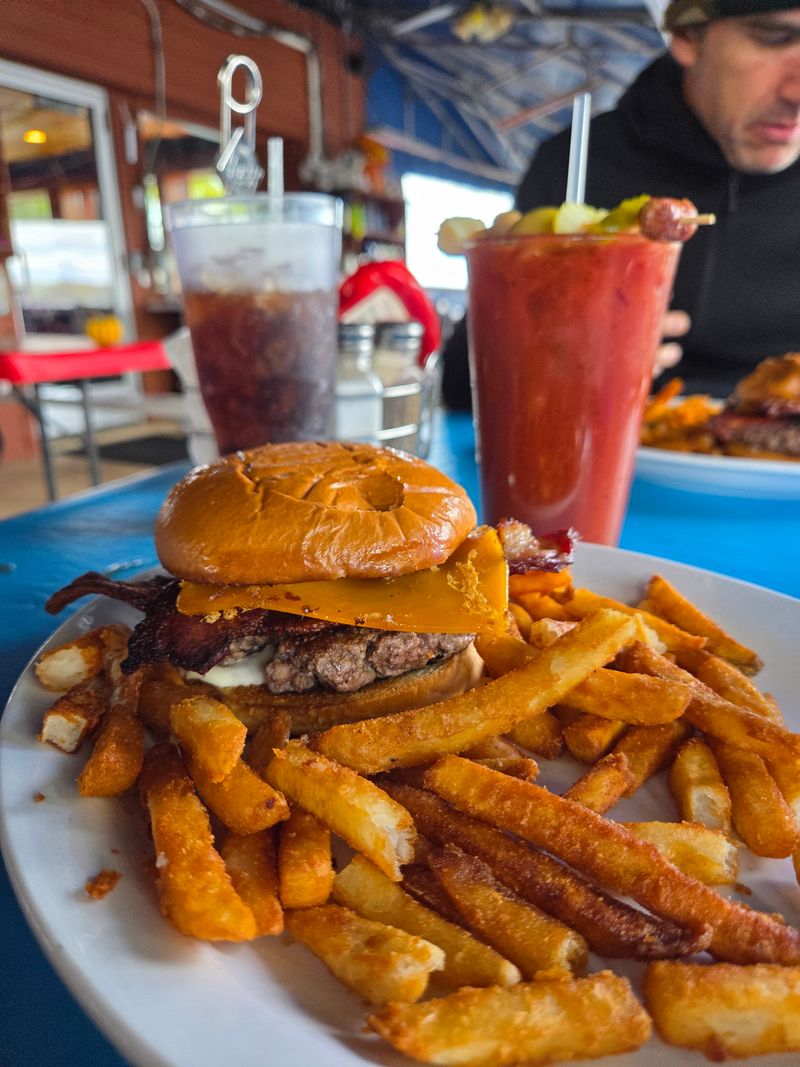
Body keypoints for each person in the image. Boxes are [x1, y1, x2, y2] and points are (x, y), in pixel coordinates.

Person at [441, 0, 800, 410]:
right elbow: (459, 384)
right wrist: (543, 346)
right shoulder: (577, 163)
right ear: (687, 36)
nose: (797, 92)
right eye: (774, 38)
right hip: (595, 452)